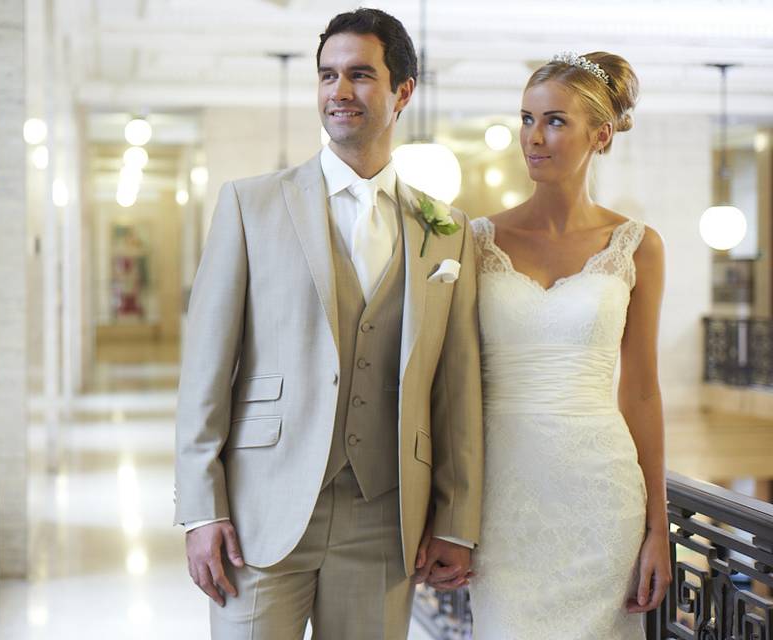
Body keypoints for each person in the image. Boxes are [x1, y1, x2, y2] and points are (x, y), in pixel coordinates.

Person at [173, 8, 483, 639]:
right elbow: (205, 368)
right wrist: (201, 509)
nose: (339, 92)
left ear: (403, 92)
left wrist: (455, 518)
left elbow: (457, 387)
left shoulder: (445, 230)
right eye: (327, 75)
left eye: (360, 75)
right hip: (262, 508)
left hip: (385, 516)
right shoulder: (249, 204)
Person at [432, 51, 671, 638]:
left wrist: (658, 528)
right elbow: (450, 381)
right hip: (502, 501)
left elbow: (640, 392)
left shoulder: (638, 246)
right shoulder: (476, 239)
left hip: (602, 499)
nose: (533, 138)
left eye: (555, 121)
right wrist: (447, 515)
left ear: (601, 134)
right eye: (526, 119)